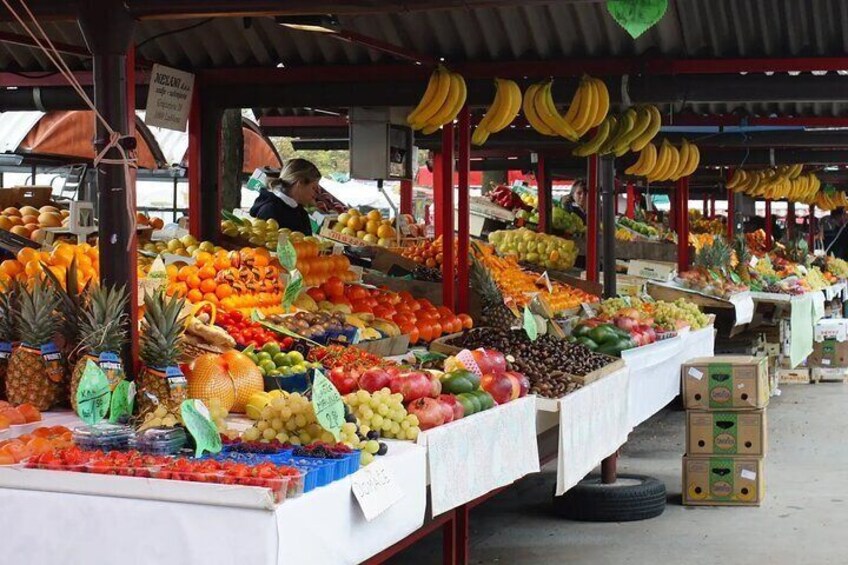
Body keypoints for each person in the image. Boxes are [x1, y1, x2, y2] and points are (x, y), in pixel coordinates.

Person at [249, 158, 321, 234]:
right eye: (314, 188)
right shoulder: (270, 210)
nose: (317, 192)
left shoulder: (300, 212)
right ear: (300, 183)